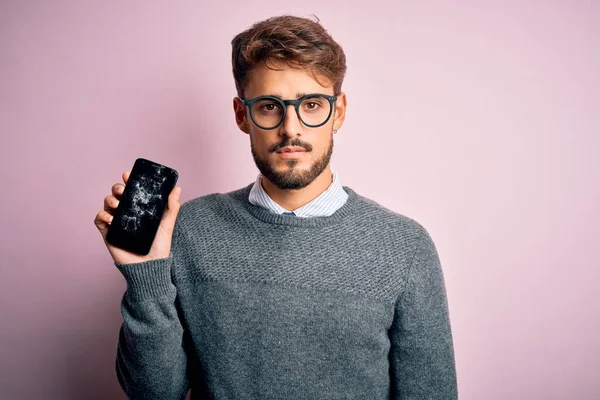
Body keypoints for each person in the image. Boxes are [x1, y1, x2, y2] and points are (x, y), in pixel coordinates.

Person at [94, 14, 458, 400]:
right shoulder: (186, 230)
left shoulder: (404, 246)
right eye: (270, 106)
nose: (291, 128)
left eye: (312, 104)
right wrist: (144, 278)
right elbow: (154, 393)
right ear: (241, 115)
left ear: (338, 111)